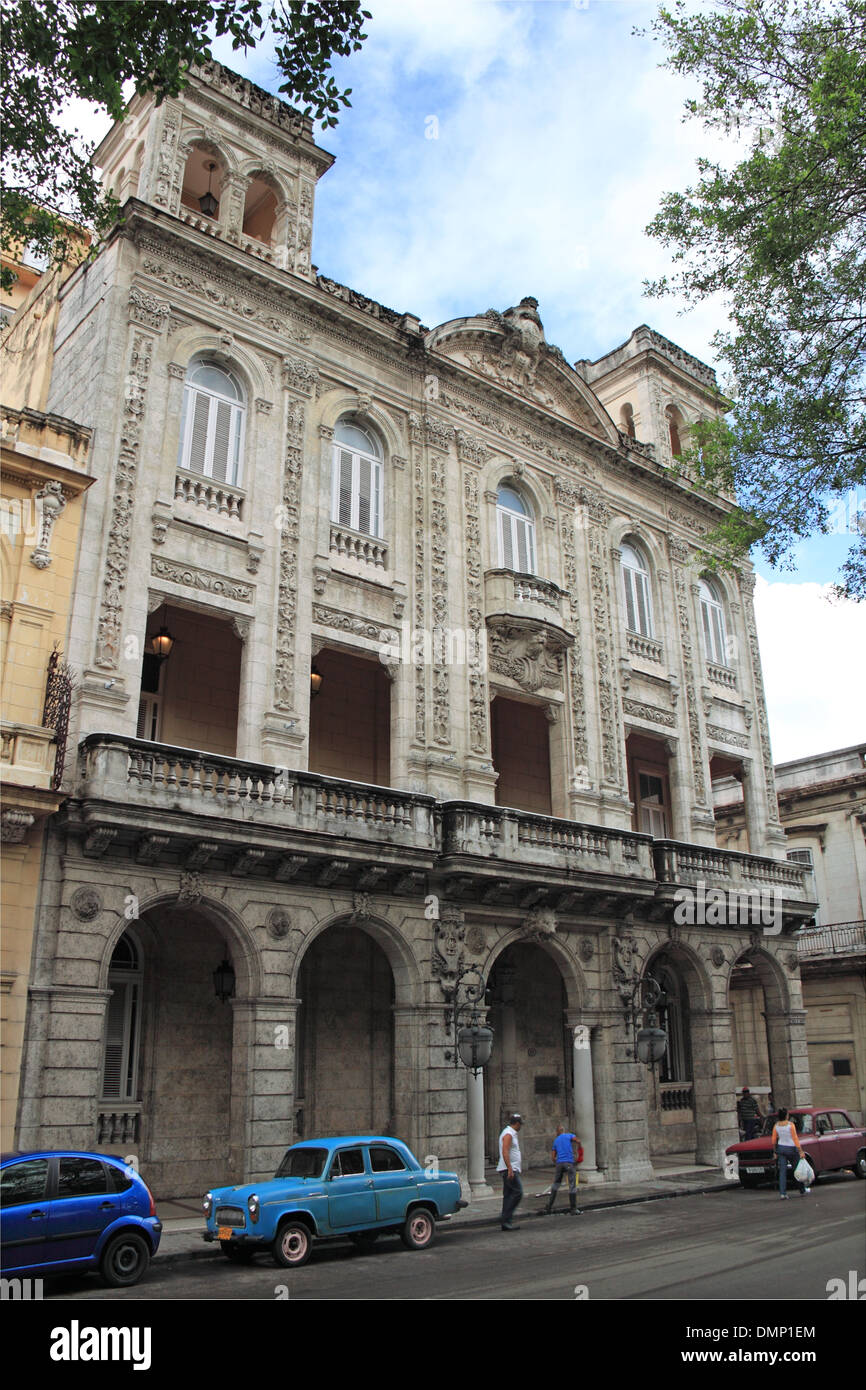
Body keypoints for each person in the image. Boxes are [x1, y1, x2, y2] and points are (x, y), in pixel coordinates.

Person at [771, 1107, 810, 1198]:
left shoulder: (776, 1126)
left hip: (781, 1148)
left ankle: (783, 1193)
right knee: (797, 1170)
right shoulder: (790, 1125)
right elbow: (795, 1138)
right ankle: (802, 1190)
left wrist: (775, 1152)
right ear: (786, 1116)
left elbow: (773, 1140)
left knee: (782, 1171)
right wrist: (800, 1151)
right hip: (791, 1148)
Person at [544, 1123, 583, 1215]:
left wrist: (557, 1162)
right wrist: (579, 1150)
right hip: (569, 1162)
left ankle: (549, 1206)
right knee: (572, 1184)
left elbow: (553, 1157)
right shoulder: (569, 1135)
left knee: (556, 1184)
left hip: (559, 1163)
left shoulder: (556, 1140)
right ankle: (573, 1208)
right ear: (563, 1130)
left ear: (557, 1132)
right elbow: (577, 1140)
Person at [497, 1113, 523, 1230]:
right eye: (520, 1124)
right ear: (516, 1123)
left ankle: (505, 1221)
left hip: (510, 1168)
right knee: (518, 1192)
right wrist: (510, 1169)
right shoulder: (508, 1134)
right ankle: (506, 1218)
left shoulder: (510, 1133)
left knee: (508, 1195)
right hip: (509, 1169)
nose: (521, 1126)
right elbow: (505, 1151)